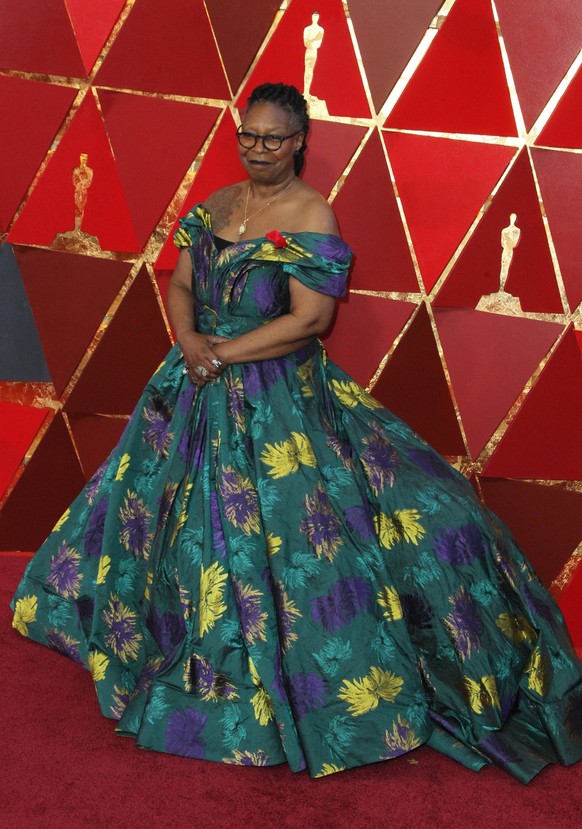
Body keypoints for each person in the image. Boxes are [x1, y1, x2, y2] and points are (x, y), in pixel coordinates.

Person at [11, 83, 582, 782]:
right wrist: (189, 338)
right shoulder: (214, 203)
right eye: (248, 136)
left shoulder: (313, 213)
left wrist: (221, 353)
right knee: (158, 518)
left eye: (272, 139)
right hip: (189, 384)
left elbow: (311, 322)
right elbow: (181, 283)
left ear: (299, 142)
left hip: (277, 397)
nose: (257, 149)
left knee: (317, 533)